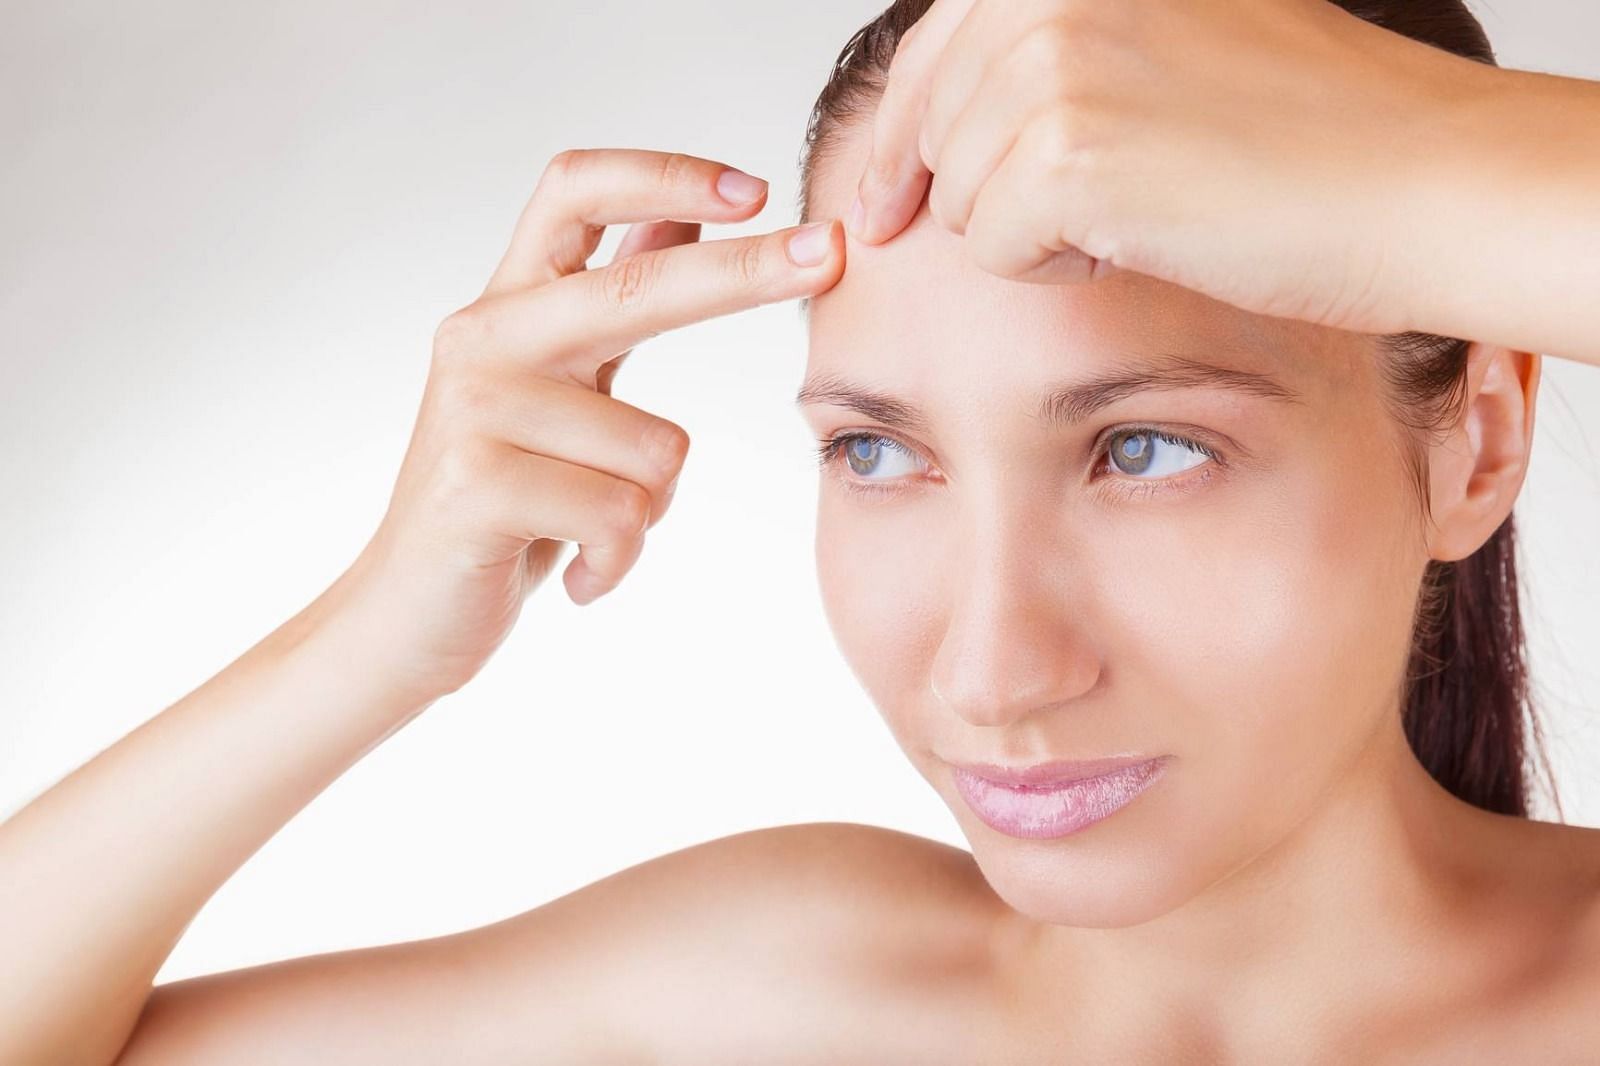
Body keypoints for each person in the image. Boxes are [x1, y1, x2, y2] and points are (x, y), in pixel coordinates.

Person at [5, 0, 1600, 1060]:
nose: (991, 669)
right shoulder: (783, 996)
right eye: (878, 451)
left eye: (1148, 446)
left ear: (1484, 442)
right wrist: (369, 633)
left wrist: (1430, 162)